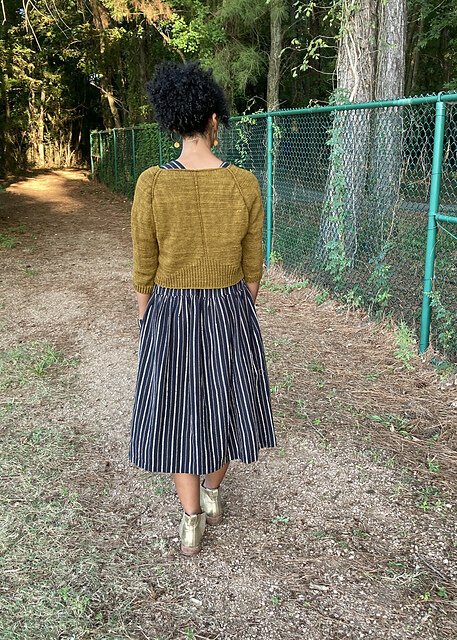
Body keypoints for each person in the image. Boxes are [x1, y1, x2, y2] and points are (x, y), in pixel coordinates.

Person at [129, 61, 276, 556]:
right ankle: (213, 493)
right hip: (230, 306)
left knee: (176, 411)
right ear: (215, 120)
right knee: (226, 404)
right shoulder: (244, 183)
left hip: (170, 309)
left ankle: (191, 520)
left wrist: (147, 312)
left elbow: (144, 261)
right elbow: (253, 263)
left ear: (173, 123)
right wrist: (239, 305)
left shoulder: (151, 183)